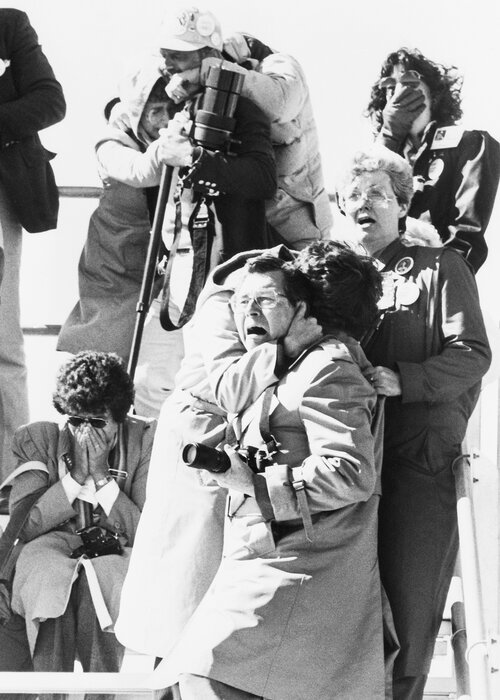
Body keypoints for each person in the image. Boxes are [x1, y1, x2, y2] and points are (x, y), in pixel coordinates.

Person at [135, 249, 386, 699]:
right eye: (241, 301)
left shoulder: (327, 366)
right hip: (260, 558)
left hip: (298, 563)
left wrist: (254, 483)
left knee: (203, 674)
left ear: (303, 309)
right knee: (198, 677)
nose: (247, 311)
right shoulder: (284, 363)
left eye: (267, 300)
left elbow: (350, 473)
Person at [115, 245, 321, 661]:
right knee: (181, 593)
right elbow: (230, 386)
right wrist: (285, 349)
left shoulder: (287, 278)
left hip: (234, 449)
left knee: (213, 600)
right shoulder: (223, 300)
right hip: (198, 442)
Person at [338, 145, 492, 700]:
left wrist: (408, 379)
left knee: (409, 614)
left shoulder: (439, 267)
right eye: (353, 195)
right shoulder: (327, 280)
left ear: (402, 206)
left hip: (417, 467)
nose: (365, 204)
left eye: (379, 194)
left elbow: (473, 353)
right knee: (339, 619)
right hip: (343, 473)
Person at [58, 53, 276, 417]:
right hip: (114, 274)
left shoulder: (183, 135)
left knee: (160, 379)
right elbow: (139, 169)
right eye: (152, 111)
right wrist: (171, 149)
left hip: (167, 278)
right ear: (134, 111)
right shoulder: (113, 142)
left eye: (166, 110)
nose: (160, 120)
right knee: (109, 384)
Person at [0, 351, 156, 679]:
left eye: (97, 423)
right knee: (51, 583)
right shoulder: (37, 438)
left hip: (119, 546)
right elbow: (23, 527)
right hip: (50, 548)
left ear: (120, 418)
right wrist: (74, 478)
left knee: (99, 589)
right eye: (75, 421)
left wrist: (101, 476)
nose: (84, 433)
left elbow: (147, 530)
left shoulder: (144, 440)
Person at [158, 7, 332, 249]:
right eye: (164, 55)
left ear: (210, 53)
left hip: (298, 231)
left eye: (177, 55)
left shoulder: (278, 65)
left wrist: (211, 71)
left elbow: (279, 103)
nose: (168, 64)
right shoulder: (203, 93)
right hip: (248, 230)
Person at [0, 9, 66, 485]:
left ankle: (13, 475)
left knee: (3, 345)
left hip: (2, 196)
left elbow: (50, 101)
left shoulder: (8, 24)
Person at [366, 47, 500, 272]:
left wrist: (434, 281)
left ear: (434, 95)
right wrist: (389, 136)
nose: (398, 92)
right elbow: (358, 200)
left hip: (436, 282)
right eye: (389, 86)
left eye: (409, 81)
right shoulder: (383, 155)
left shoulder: (469, 144)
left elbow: (466, 239)